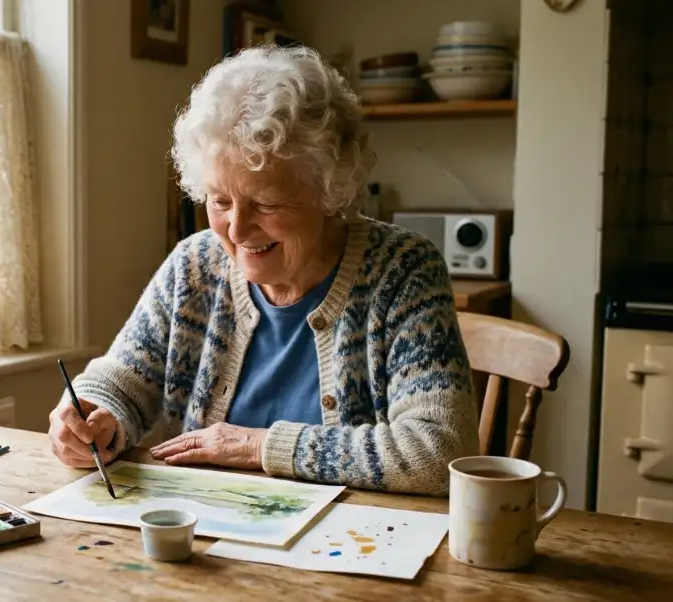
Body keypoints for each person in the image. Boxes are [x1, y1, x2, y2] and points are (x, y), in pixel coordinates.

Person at [48, 45, 479, 496]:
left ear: (330, 190)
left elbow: (440, 451)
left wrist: (258, 447)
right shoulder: (194, 266)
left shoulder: (403, 270)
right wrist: (92, 417)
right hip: (206, 540)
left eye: (266, 203)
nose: (235, 229)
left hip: (351, 545)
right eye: (219, 200)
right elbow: (122, 379)